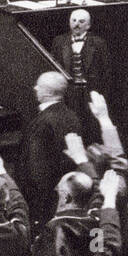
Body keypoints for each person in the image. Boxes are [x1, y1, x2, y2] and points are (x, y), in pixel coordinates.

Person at [16, 71, 81, 227]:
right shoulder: (73, 117)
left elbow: (36, 170)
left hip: (43, 205)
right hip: (66, 194)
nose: (35, 88)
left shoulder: (41, 123)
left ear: (47, 93)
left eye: (39, 86)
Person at [49, 8, 109, 98]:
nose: (76, 24)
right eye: (74, 20)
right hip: (66, 94)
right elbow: (53, 68)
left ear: (88, 25)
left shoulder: (98, 43)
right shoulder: (59, 42)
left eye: (81, 21)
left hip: (91, 94)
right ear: (69, 22)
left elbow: (106, 71)